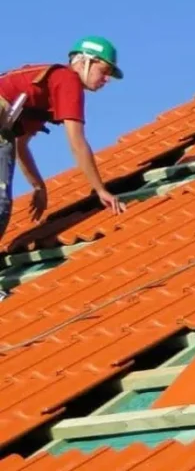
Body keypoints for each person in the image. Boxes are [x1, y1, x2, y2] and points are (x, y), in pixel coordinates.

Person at [0, 37, 126, 289]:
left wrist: (38, 186)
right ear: (84, 62)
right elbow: (77, 142)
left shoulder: (42, 93)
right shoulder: (67, 80)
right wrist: (100, 189)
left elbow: (21, 144)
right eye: (104, 70)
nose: (106, 80)